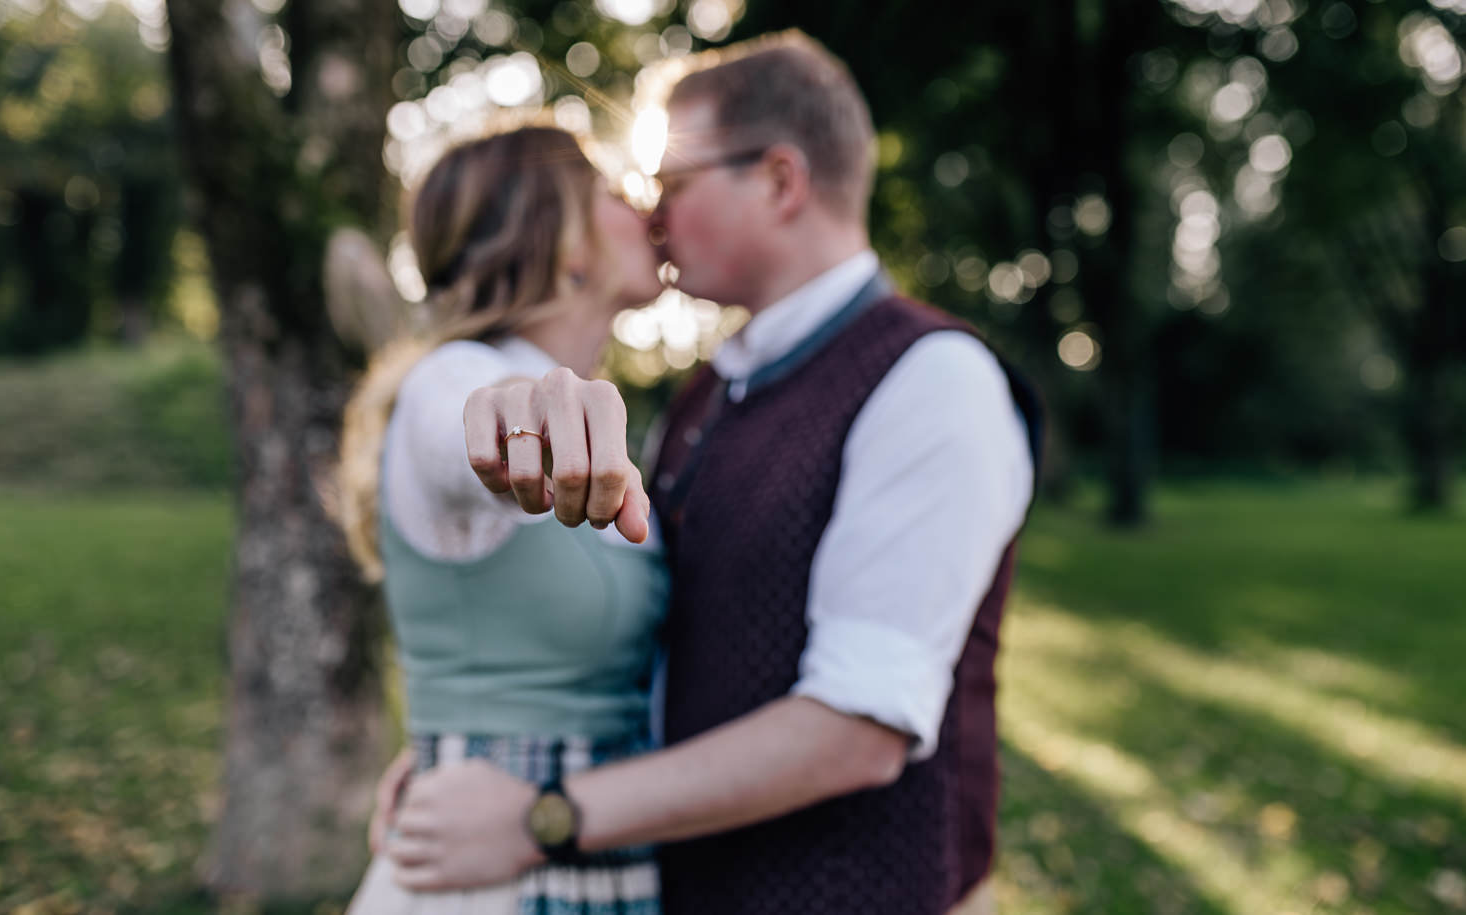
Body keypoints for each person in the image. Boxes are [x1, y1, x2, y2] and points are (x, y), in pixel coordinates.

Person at [383, 31, 1042, 915]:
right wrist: (469, 747)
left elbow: (860, 728)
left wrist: (545, 808)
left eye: (673, 183)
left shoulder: (932, 378)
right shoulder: (708, 396)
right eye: (635, 190)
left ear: (778, 181)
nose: (653, 212)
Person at [336, 124, 671, 914]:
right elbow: (460, 422)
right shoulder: (455, 380)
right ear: (564, 245)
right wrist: (517, 413)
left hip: (596, 869)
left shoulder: (609, 428)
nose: (644, 208)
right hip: (485, 886)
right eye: (615, 196)